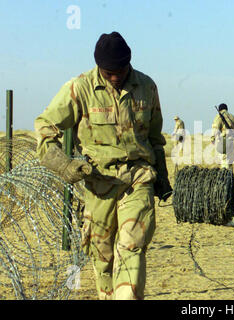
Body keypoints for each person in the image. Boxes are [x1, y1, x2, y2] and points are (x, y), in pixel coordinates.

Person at [35, 31, 172, 300]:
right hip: (99, 182)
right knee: (103, 257)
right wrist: (65, 166)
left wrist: (162, 176)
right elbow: (43, 129)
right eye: (108, 72)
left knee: (131, 247)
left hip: (138, 178)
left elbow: (156, 139)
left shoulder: (146, 86)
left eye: (119, 70)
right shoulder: (80, 88)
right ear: (99, 66)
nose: (114, 77)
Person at [211, 103, 234, 169]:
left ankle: (225, 177)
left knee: (224, 162)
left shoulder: (218, 116)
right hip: (232, 142)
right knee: (230, 162)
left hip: (223, 141)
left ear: (220, 110)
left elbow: (215, 128)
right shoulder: (233, 117)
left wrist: (212, 138)